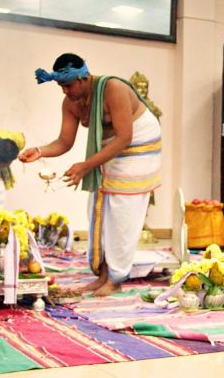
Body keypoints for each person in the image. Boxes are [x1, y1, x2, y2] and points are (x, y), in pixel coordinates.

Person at [19, 53, 162, 296]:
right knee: (98, 207)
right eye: (61, 86)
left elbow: (124, 137)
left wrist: (86, 166)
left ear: (84, 78)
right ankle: (103, 273)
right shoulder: (70, 102)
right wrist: (39, 151)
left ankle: (115, 278)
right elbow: (64, 142)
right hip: (109, 147)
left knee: (122, 212)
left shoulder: (113, 89)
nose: (65, 91)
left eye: (68, 85)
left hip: (138, 144)